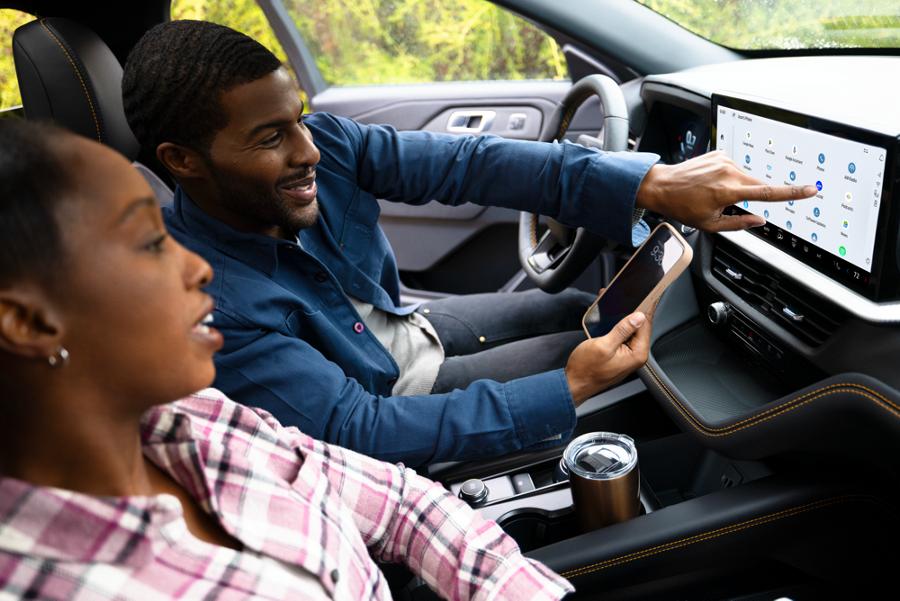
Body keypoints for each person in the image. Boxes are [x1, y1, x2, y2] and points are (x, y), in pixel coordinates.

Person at [121, 21, 817, 467]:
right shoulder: (208, 300)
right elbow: (358, 429)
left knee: (579, 306)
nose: (309, 151)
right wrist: (570, 384)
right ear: (182, 160)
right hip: (382, 390)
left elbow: (470, 165)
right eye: (272, 137)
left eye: (298, 120)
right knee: (607, 359)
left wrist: (649, 184)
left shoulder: (325, 146)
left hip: (399, 327)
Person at [0, 119, 572, 600]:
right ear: (28, 321)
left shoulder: (195, 417)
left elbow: (403, 505)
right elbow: (361, 431)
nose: (196, 269)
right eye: (150, 245)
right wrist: (573, 386)